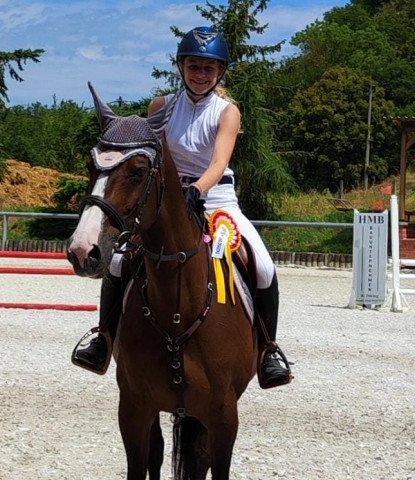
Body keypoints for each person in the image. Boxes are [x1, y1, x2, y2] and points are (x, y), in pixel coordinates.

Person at [73, 26, 292, 389]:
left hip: (216, 200)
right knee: (116, 261)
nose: (200, 74)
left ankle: (268, 350)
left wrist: (199, 190)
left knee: (264, 265)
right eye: (194, 66)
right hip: (166, 199)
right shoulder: (160, 107)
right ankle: (103, 338)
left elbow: (219, 162)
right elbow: (152, 155)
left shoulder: (227, 112)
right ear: (181, 67)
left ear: (219, 72)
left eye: (209, 68)